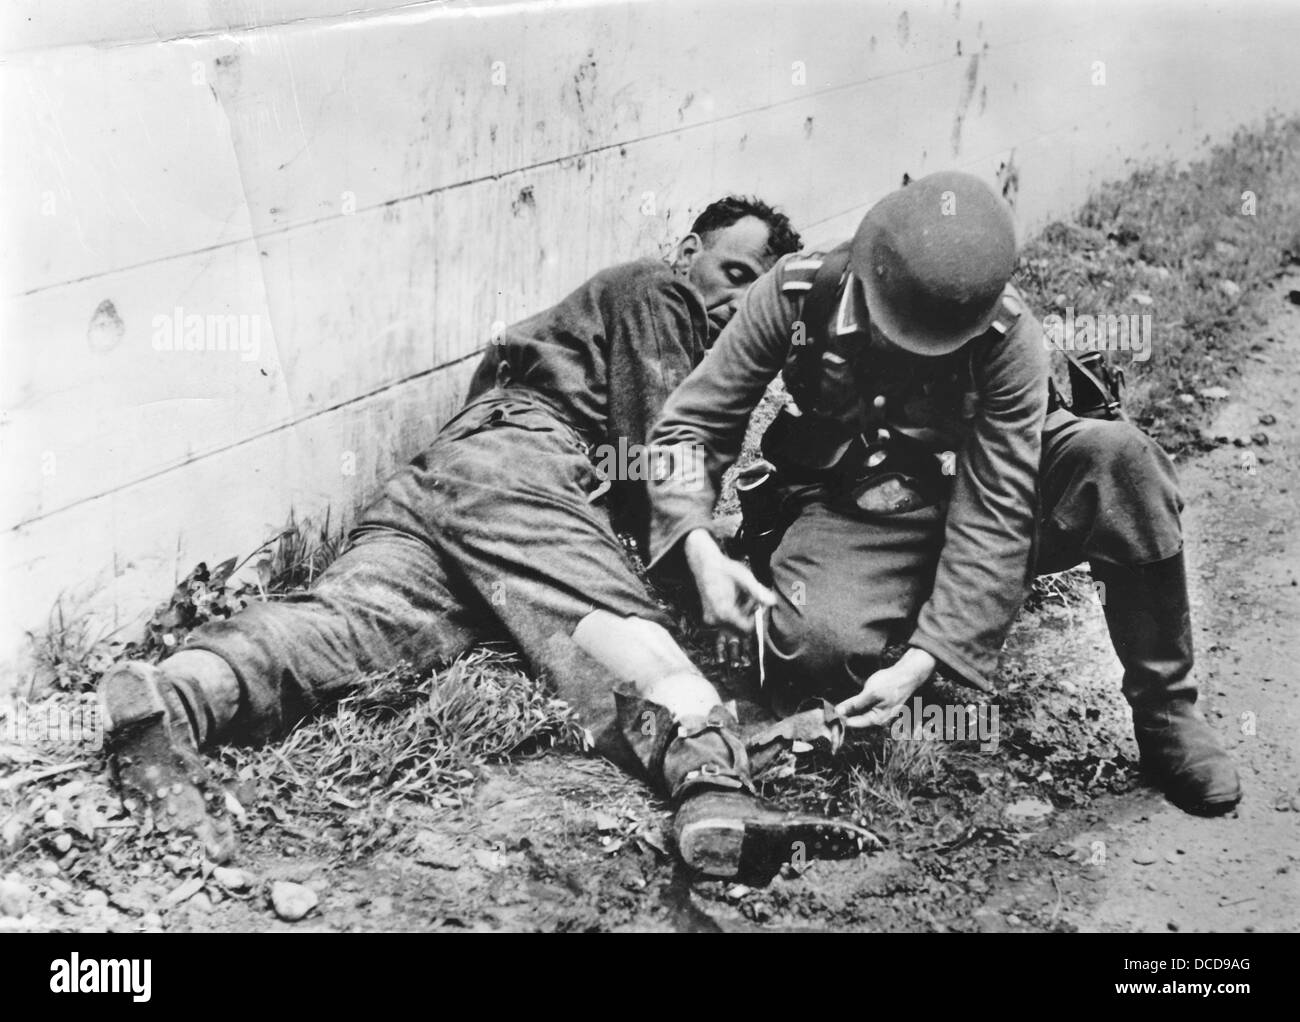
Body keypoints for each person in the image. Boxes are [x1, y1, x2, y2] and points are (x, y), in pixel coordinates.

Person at [100, 196, 875, 880]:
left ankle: (178, 695)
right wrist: (707, 567)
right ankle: (713, 786)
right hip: (523, 467)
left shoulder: (617, 324)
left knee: (358, 624)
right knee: (606, 616)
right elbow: (655, 465)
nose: (738, 301)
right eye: (735, 272)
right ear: (688, 252)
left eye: (756, 289)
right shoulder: (655, 288)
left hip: (441, 485)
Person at [646, 171, 1241, 817]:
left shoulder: (1008, 334)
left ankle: (1166, 711)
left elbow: (996, 507)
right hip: (866, 505)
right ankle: (896, 609)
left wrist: (930, 658)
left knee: (1119, 460)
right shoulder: (794, 291)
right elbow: (691, 427)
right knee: (810, 645)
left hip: (992, 489)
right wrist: (698, 543)